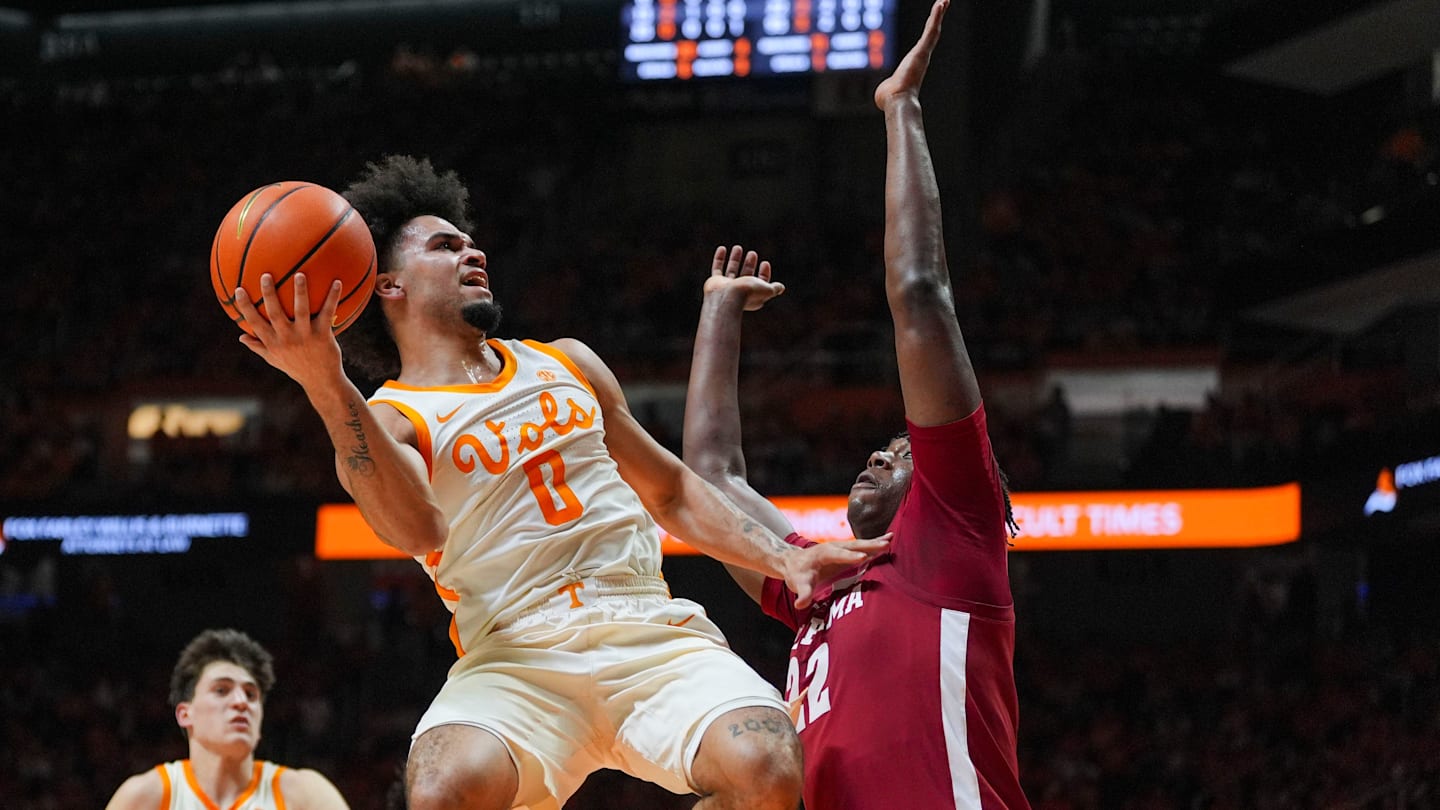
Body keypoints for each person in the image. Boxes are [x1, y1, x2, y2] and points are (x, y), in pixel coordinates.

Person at [230, 155, 889, 810]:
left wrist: (784, 556)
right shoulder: (386, 419)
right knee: (440, 792)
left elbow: (671, 491)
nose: (473, 252)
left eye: (470, 242)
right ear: (388, 285)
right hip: (513, 656)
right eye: (445, 246)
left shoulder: (566, 361)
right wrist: (325, 381)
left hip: (646, 628)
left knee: (769, 768)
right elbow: (417, 530)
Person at [682, 2, 1032, 808]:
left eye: (904, 454)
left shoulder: (951, 535)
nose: (880, 453)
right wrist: (720, 308)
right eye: (884, 447)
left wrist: (900, 109)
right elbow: (711, 484)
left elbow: (920, 294)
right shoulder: (816, 580)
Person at [105, 628, 350, 810]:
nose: (241, 702)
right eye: (222, 690)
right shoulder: (146, 798)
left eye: (251, 694)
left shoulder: (305, 795)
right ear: (185, 714)